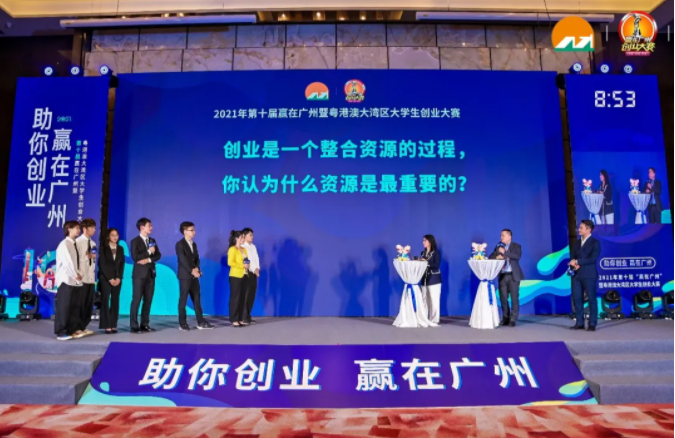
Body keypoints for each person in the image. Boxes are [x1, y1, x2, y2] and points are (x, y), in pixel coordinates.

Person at [175, 221, 213, 331]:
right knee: (183, 300)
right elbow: (182, 260)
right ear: (185, 231)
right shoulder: (180, 244)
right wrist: (192, 271)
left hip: (194, 276)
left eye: (194, 230)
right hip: (185, 276)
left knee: (197, 299)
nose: (194, 232)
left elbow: (196, 258)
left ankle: (201, 322)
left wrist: (197, 268)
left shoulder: (194, 244)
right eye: (191, 230)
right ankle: (182, 323)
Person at [130, 218, 162, 333]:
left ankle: (145, 324)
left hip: (150, 274)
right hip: (139, 275)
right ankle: (134, 326)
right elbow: (135, 257)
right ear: (142, 227)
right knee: (136, 300)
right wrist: (148, 252)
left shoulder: (152, 240)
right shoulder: (135, 241)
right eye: (149, 226)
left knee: (148, 300)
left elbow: (158, 255)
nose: (151, 228)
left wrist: (148, 259)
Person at [569, 220, 601, 332]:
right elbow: (572, 256)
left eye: (581, 228)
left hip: (589, 274)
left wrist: (578, 262)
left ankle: (592, 323)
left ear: (589, 229)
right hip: (576, 275)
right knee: (577, 299)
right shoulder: (577, 243)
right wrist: (573, 263)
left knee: (592, 299)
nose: (579, 229)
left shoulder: (595, 243)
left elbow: (593, 259)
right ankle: (579, 322)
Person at [488, 229, 524, 327]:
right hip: (503, 275)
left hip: (513, 275)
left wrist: (504, 253)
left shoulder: (516, 246)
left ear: (509, 236)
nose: (501, 237)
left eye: (503, 235)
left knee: (514, 298)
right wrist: (497, 257)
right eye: (501, 235)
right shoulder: (498, 247)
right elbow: (490, 257)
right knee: (503, 298)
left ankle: (513, 318)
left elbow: (517, 256)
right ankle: (505, 317)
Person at [54, 221, 83, 340]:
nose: (79, 230)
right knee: (64, 306)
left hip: (75, 281)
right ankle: (61, 332)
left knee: (74, 306)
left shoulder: (75, 244)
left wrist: (80, 274)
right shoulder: (64, 244)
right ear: (69, 229)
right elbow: (67, 263)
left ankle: (71, 329)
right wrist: (75, 275)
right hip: (66, 280)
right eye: (77, 228)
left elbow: (78, 262)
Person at [98, 228, 124, 334]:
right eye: (113, 235)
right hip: (106, 278)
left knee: (115, 300)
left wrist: (118, 278)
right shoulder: (103, 248)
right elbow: (102, 264)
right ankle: (106, 325)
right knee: (105, 300)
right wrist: (110, 278)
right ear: (108, 236)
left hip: (117, 279)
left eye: (117, 235)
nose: (115, 237)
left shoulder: (120, 249)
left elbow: (121, 264)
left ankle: (113, 324)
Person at [75, 218, 97, 337]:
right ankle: (76, 327)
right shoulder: (77, 242)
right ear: (84, 229)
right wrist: (86, 257)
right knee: (80, 303)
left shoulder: (93, 243)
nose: (94, 230)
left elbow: (93, 261)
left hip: (90, 278)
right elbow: (75, 260)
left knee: (88, 304)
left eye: (94, 227)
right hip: (81, 278)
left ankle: (83, 326)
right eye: (91, 227)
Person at [228, 230, 250, 327]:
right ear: (237, 238)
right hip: (235, 276)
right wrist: (242, 266)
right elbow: (230, 262)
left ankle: (240, 318)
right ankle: (234, 319)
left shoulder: (244, 249)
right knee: (235, 298)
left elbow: (246, 260)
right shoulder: (232, 249)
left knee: (242, 298)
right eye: (242, 237)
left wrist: (247, 265)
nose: (243, 239)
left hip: (245, 275)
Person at [420, 234, 441, 324]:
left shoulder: (436, 253)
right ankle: (424, 318)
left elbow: (436, 265)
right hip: (424, 279)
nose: (423, 242)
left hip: (434, 279)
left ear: (430, 242)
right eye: (423, 240)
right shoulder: (422, 253)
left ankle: (434, 319)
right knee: (424, 299)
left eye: (425, 240)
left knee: (434, 300)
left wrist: (426, 262)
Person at [242, 227, 260, 324]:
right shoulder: (242, 247)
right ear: (244, 236)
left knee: (252, 294)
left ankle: (248, 315)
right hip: (246, 273)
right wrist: (253, 269)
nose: (252, 237)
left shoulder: (253, 246)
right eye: (250, 235)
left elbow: (256, 259)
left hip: (254, 273)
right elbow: (246, 261)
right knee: (246, 294)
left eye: (252, 235)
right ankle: (243, 316)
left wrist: (257, 268)